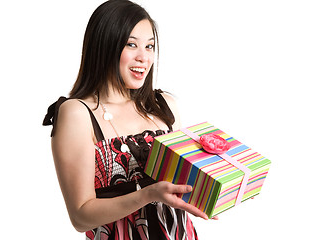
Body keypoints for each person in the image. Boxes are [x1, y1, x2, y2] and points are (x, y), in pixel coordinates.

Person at [43, 0, 208, 239]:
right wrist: (149, 194)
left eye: (150, 46)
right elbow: (80, 216)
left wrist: (222, 185)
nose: (144, 57)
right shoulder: (77, 113)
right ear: (105, 46)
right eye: (132, 45)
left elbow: (182, 186)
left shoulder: (165, 106)